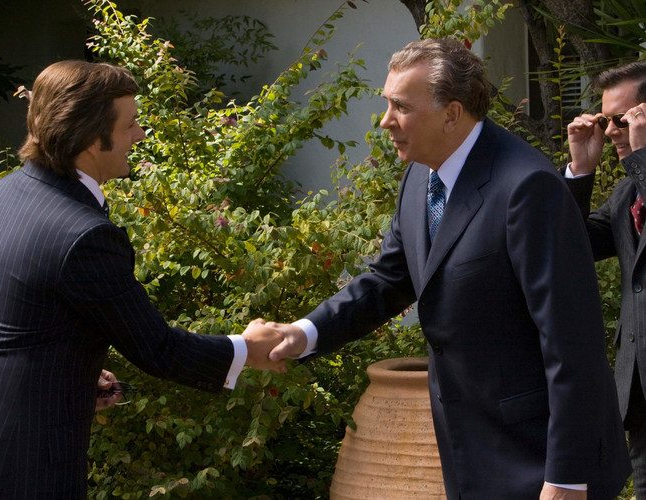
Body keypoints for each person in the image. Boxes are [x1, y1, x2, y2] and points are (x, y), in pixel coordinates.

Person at [264, 38, 631, 499]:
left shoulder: (528, 187)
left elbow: (571, 342)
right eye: (388, 104)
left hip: (538, 460)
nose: (386, 121)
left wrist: (566, 478)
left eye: (401, 107)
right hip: (470, 453)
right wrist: (304, 333)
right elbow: (388, 280)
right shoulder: (421, 174)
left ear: (452, 114)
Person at [0, 60, 283, 499]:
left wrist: (71, 372)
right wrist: (247, 349)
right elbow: (158, 349)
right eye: (130, 124)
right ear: (91, 138)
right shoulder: (84, 234)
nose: (140, 135)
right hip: (25, 461)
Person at [564, 60, 646, 498]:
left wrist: (641, 159)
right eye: (604, 121)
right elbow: (570, 246)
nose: (611, 131)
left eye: (622, 120)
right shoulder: (626, 192)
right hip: (640, 398)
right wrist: (581, 172)